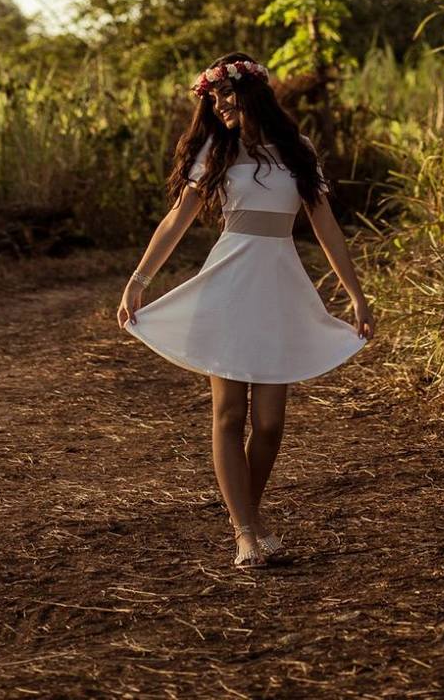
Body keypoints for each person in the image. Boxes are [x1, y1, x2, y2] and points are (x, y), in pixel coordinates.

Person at [117, 51, 375, 569]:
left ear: (252, 92)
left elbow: (325, 227)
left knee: (272, 422)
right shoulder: (218, 148)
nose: (218, 105)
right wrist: (138, 280)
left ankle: (249, 519)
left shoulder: (296, 151)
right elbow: (177, 219)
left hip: (278, 285)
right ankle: (246, 532)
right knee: (230, 413)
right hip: (230, 282)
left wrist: (355, 293)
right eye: (212, 98)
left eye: (225, 95)